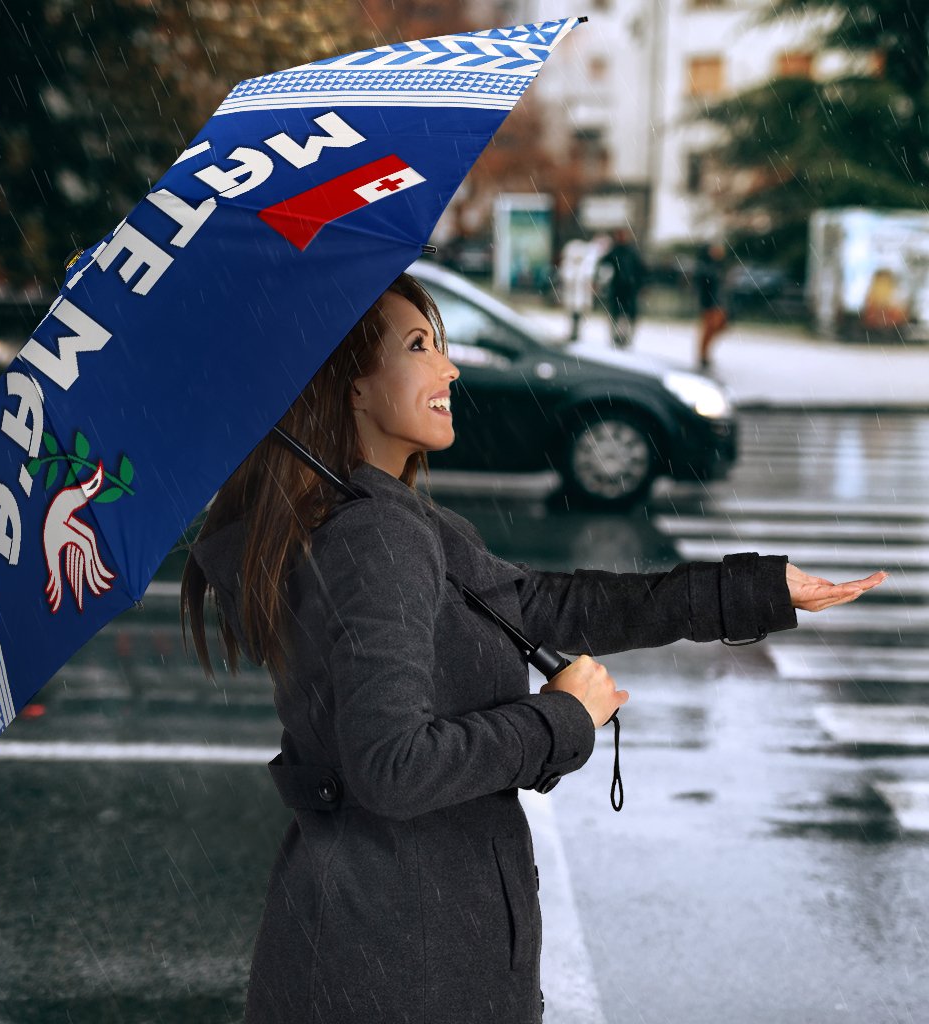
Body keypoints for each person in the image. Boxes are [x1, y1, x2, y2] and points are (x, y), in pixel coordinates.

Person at [181, 273, 886, 1024]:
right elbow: (392, 767)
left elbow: (549, 605)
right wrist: (559, 719)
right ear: (350, 387)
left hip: (387, 943)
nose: (449, 368)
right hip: (401, 962)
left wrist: (753, 590)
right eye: (419, 347)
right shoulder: (374, 537)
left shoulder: (387, 520)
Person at [596, 227, 647, 349]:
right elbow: (603, 264)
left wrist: (641, 285)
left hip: (629, 289)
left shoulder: (631, 252)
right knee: (616, 313)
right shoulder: (615, 251)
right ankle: (616, 336)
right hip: (618, 288)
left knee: (627, 314)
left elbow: (641, 270)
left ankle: (625, 337)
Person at [695, 241, 729, 370]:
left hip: (719, 302)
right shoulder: (705, 266)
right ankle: (703, 355)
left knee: (719, 326)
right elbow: (704, 284)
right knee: (709, 329)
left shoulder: (719, 266)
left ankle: (705, 354)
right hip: (710, 302)